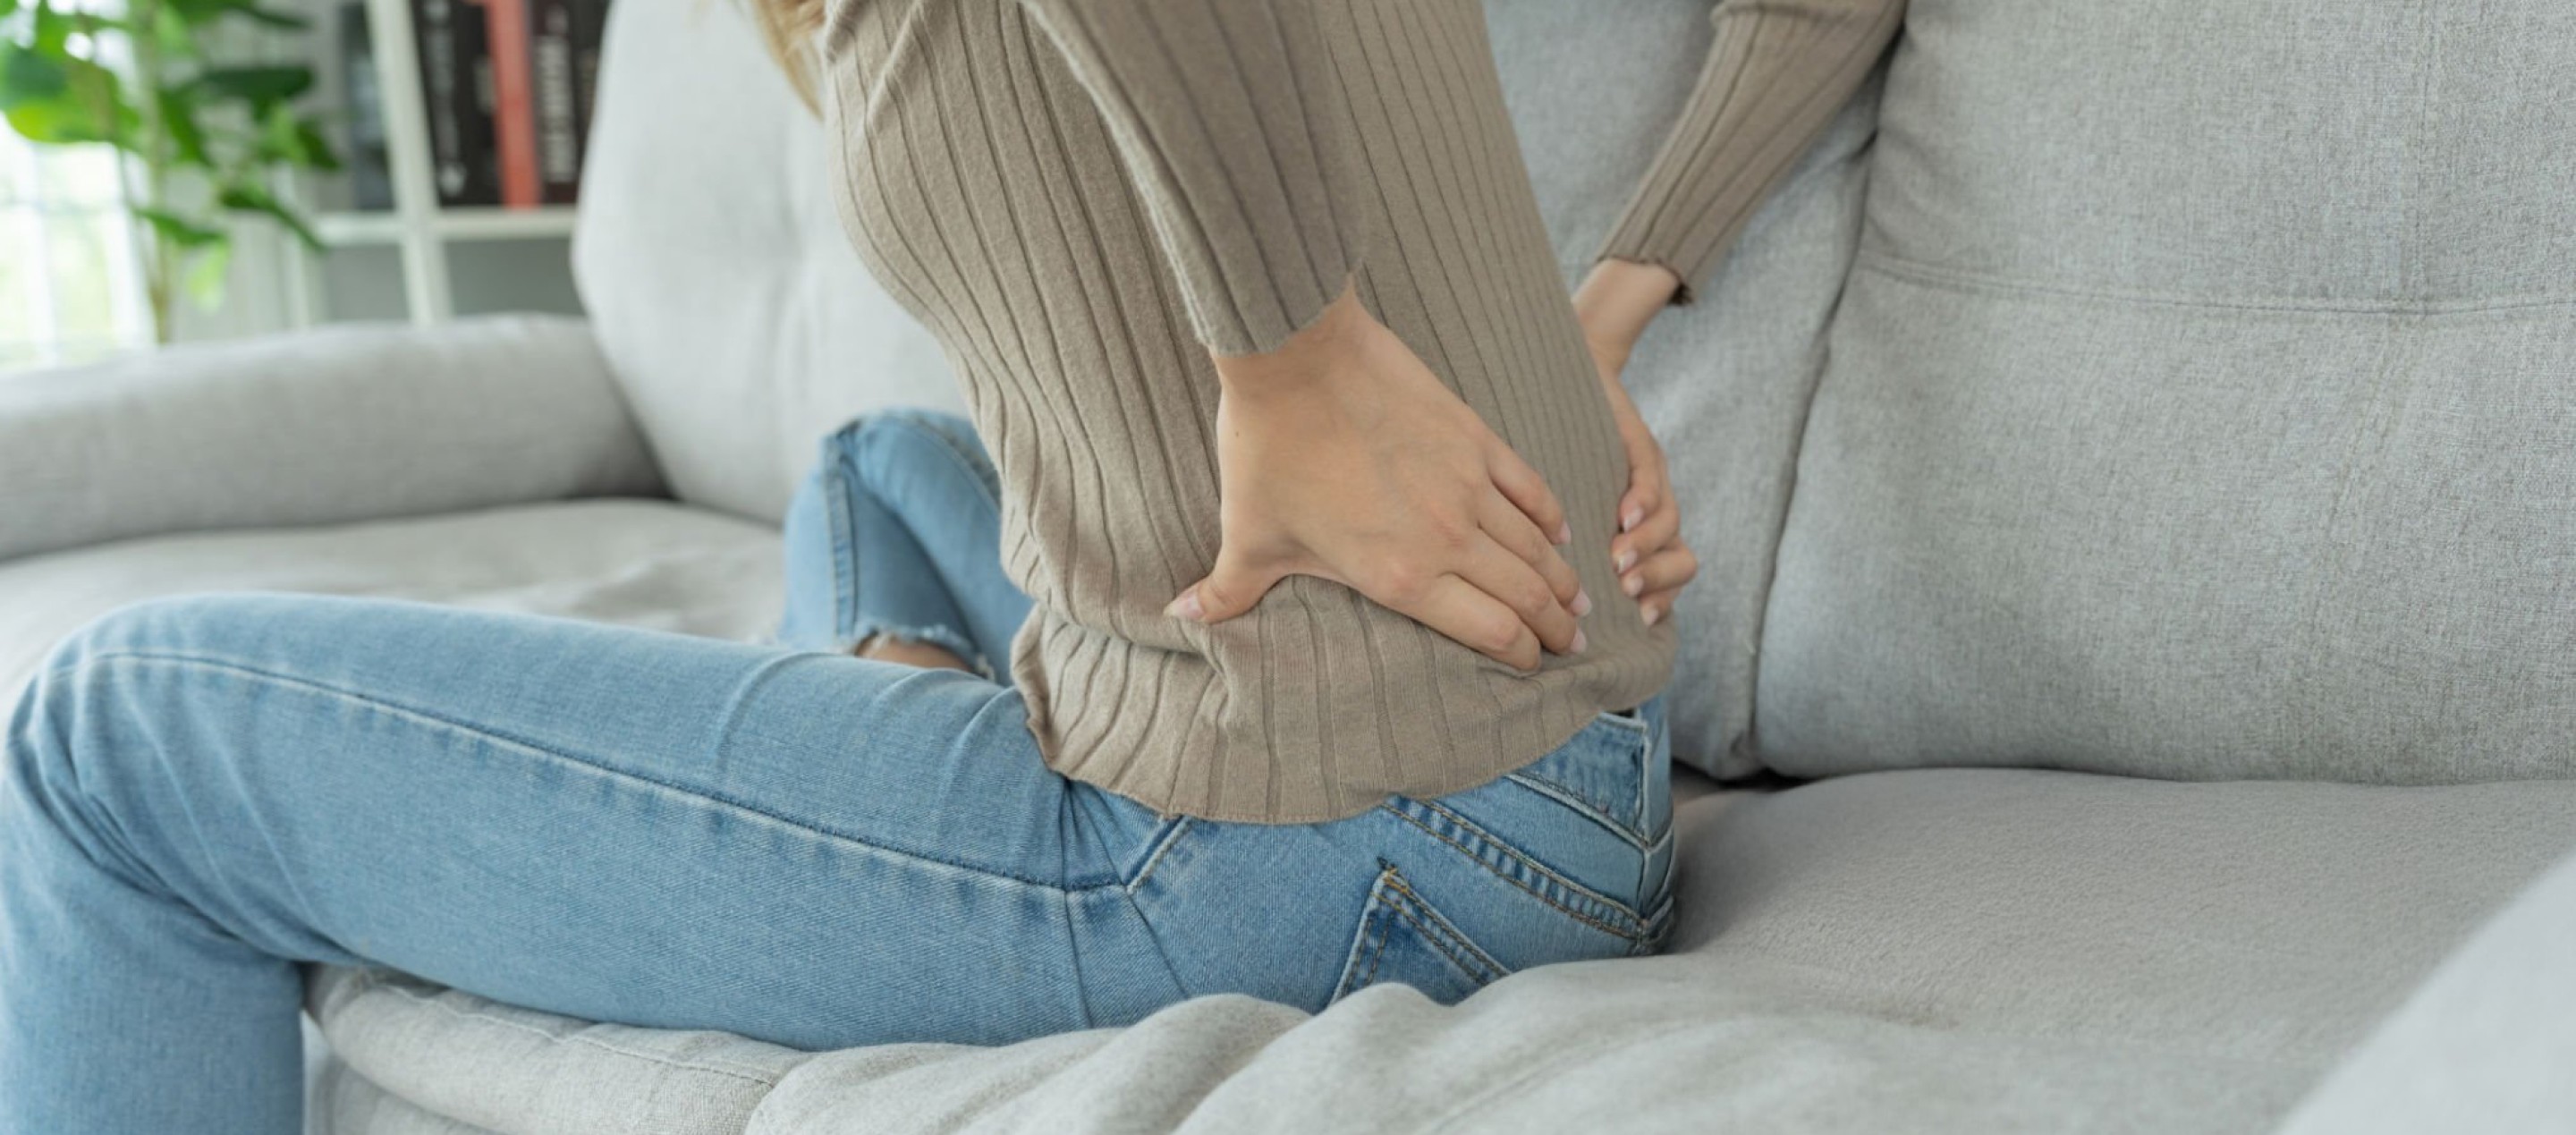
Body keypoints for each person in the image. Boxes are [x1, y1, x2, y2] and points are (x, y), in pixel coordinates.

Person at [0, 0, 1905, 1128]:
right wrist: (1594, 321)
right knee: (879, 470)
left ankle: (919, 850)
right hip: (1571, 767)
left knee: (115, 742)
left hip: (1289, 853)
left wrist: (1296, 354)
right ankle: (882, 788)